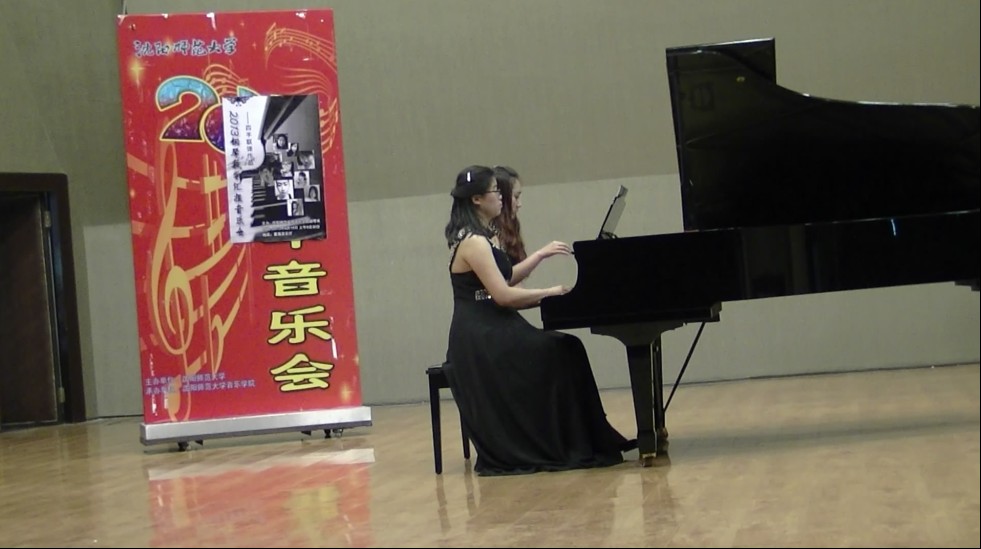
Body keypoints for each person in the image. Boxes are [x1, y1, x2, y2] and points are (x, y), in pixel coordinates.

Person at [442, 165, 633, 476]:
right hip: (481, 337)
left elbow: (506, 278)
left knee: (567, 347)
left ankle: (585, 438)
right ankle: (565, 442)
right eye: (496, 192)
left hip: (495, 325)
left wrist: (541, 257)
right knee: (560, 350)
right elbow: (503, 295)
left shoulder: (484, 237)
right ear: (477, 199)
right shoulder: (473, 242)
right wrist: (550, 293)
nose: (502, 198)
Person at [492, 165, 572, 286]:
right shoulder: (489, 234)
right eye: (516, 197)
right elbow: (504, 281)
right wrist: (540, 254)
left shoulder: (509, 228)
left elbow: (514, 285)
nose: (519, 204)